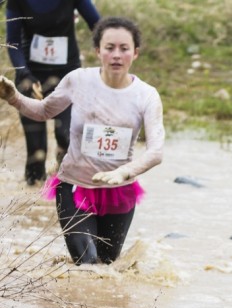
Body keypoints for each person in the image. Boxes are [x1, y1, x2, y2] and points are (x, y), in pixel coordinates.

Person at [0, 16, 165, 265]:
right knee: (87, 265)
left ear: (136, 53)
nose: (117, 55)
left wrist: (124, 172)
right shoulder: (78, 80)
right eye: (110, 48)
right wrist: (14, 98)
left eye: (124, 48)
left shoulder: (146, 95)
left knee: (107, 266)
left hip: (119, 191)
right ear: (98, 51)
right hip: (74, 187)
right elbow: (44, 111)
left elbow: (156, 151)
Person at [6, 0, 101, 185]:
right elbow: (13, 41)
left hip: (69, 75)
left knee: (66, 137)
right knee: (36, 150)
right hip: (31, 76)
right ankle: (33, 200)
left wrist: (108, 54)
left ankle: (63, 188)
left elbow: (97, 25)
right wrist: (24, 72)